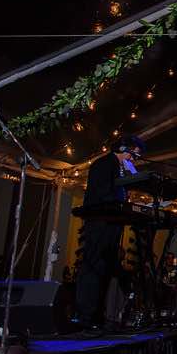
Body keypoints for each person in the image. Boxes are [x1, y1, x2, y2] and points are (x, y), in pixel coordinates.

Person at [75, 135, 145, 331]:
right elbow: (102, 193)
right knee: (93, 265)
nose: (135, 159)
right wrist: (120, 202)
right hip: (100, 221)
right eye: (135, 154)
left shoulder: (121, 166)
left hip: (112, 221)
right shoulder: (104, 164)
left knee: (105, 268)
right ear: (125, 149)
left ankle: (96, 314)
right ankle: (85, 315)